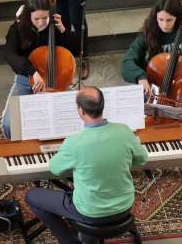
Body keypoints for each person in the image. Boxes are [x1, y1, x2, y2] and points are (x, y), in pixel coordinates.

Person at [121, 0, 182, 191]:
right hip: (153, 89)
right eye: (160, 20)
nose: (164, 24)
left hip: (180, 94)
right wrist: (140, 76)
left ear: (178, 18)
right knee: (129, 119)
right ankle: (134, 159)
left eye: (169, 20)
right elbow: (127, 63)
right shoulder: (148, 34)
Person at [25, 86, 147, 243]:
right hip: (125, 206)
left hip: (90, 212)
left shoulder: (74, 142)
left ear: (81, 111)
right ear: (103, 106)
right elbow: (141, 159)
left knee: (32, 196)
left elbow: (54, 168)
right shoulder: (125, 131)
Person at [2, 0, 78, 138]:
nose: (42, 22)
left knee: (76, 116)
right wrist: (33, 72)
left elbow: (76, 49)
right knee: (9, 124)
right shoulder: (17, 29)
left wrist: (63, 30)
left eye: (45, 17)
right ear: (28, 16)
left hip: (56, 81)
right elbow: (10, 55)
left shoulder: (55, 25)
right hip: (26, 80)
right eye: (36, 19)